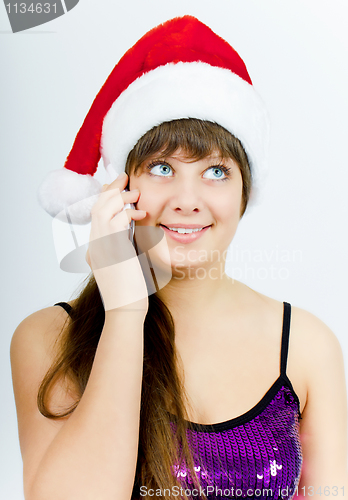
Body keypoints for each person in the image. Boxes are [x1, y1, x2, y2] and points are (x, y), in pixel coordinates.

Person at [10, 15, 348, 500]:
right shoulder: (47, 340)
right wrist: (126, 311)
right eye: (162, 167)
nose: (188, 200)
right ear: (121, 186)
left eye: (215, 171)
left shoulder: (308, 346)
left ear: (244, 192)